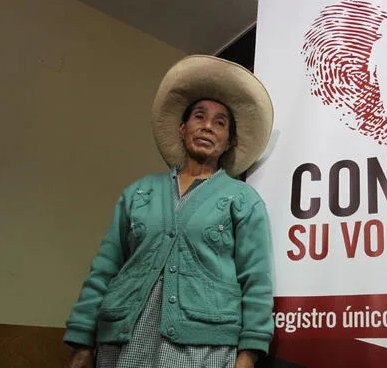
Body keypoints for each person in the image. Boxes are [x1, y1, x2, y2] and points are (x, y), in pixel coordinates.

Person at [64, 55, 275, 368]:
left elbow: (256, 280)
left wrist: (249, 354)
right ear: (182, 128)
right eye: (199, 117)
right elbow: (105, 267)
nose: (207, 126)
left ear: (230, 141)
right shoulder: (139, 193)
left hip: (203, 349)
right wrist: (83, 340)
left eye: (220, 123)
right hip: (122, 342)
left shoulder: (241, 200)